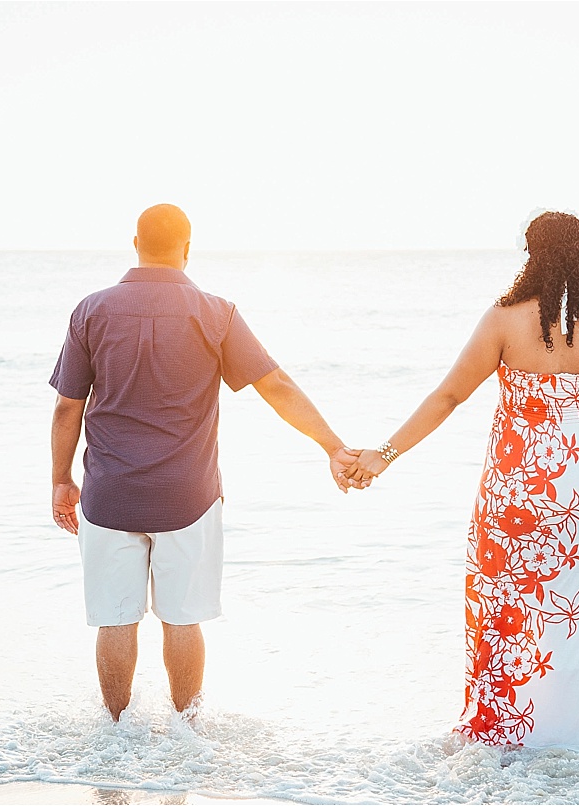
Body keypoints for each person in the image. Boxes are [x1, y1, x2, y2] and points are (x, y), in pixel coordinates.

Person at [346, 211, 579, 751]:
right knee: (578, 629)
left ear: (530, 256)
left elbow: (449, 396)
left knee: (505, 608)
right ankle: (570, 744)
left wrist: (383, 455)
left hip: (522, 491)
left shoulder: (505, 320)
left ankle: (505, 741)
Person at [49, 203, 361, 721]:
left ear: (135, 243)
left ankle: (116, 735)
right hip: (188, 496)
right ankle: (187, 733)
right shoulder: (216, 312)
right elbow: (275, 386)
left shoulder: (91, 310)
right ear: (188, 248)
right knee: (183, 619)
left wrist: (61, 480)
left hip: (109, 496)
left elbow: (67, 407)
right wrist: (332, 446)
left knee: (116, 621)